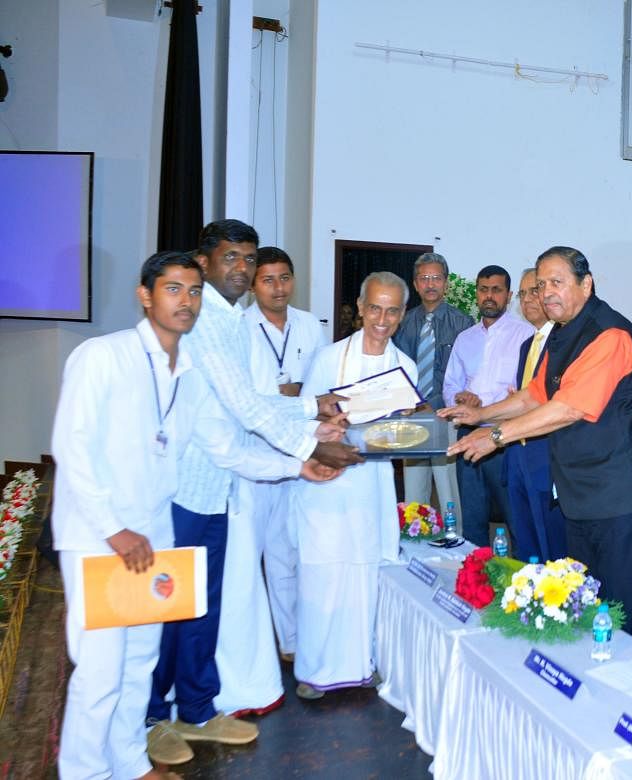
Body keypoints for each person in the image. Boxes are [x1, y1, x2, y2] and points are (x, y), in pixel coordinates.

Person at [51, 252, 337, 779]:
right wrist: (114, 529)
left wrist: (296, 468)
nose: (186, 301)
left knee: (139, 662)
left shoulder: (184, 370)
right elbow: (71, 448)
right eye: (173, 290)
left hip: (156, 530)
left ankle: (131, 763)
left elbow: (223, 446)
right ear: (145, 295)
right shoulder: (102, 356)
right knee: (100, 669)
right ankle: (85, 772)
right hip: (100, 536)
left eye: (194, 292)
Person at [146, 220, 359, 753]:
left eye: (248, 258)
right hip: (184, 492)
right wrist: (309, 448)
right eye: (230, 258)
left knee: (202, 606)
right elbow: (243, 405)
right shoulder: (205, 321)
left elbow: (252, 400)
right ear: (203, 260)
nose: (241, 269)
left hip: (218, 488)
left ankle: (196, 709)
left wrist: (311, 412)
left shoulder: (225, 317)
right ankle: (154, 721)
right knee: (171, 610)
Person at [442, 247, 632, 642]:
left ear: (586, 284)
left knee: (621, 615)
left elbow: (567, 408)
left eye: (556, 283)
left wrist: (496, 436)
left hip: (619, 500)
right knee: (584, 605)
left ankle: (623, 697)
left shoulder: (609, 334)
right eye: (541, 285)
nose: (545, 294)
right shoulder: (562, 333)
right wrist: (482, 414)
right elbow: (534, 394)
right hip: (580, 495)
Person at [291, 272, 416, 700]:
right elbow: (303, 419)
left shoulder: (406, 366)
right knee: (324, 573)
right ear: (360, 308)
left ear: (402, 314)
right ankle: (316, 670)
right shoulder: (328, 359)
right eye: (375, 308)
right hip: (328, 482)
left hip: (373, 483)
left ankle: (364, 663)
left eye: (392, 310)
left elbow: (406, 431)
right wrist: (329, 424)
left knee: (367, 573)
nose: (382, 319)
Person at [239, 246, 327, 663]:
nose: (278, 287)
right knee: (252, 554)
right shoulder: (240, 327)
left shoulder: (309, 325)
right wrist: (284, 395)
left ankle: (291, 642)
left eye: (285, 278)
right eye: (268, 279)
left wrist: (305, 398)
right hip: (256, 456)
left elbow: (321, 382)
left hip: (303, 449)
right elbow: (243, 399)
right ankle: (251, 650)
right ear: (253, 285)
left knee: (291, 550)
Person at [442, 265, 533, 544]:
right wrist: (461, 399)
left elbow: (529, 392)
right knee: (471, 518)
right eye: (483, 290)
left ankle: (520, 581)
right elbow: (450, 386)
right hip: (468, 436)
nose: (489, 296)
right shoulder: (464, 338)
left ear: (508, 296)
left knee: (515, 515)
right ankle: (475, 580)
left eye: (496, 290)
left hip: (506, 438)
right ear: (477, 294)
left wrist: (494, 406)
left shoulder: (526, 335)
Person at [392, 252, 472, 508]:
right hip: (412, 416)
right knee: (414, 493)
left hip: (447, 418)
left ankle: (456, 543)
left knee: (450, 493)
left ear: (446, 283)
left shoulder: (463, 323)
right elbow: (397, 370)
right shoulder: (403, 322)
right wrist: (415, 404)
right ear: (415, 284)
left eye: (436, 278)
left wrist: (434, 405)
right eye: (424, 278)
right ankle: (417, 543)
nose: (430, 284)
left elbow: (466, 374)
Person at [504, 268, 567, 562]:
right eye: (523, 294)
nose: (529, 299)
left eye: (535, 291)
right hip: (518, 452)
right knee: (525, 541)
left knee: (552, 544)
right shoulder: (527, 346)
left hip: (548, 454)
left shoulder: (566, 341)